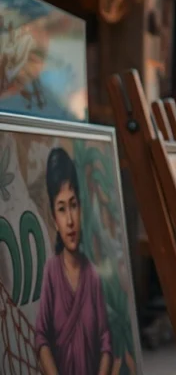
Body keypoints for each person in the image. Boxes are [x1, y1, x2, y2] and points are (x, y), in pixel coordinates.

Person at [35, 147, 112, 375]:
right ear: (54, 219)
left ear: (81, 208)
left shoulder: (93, 276)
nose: (69, 220)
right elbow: (41, 338)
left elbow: (105, 341)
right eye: (61, 209)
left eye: (73, 205)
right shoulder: (51, 273)